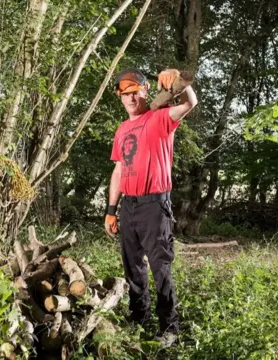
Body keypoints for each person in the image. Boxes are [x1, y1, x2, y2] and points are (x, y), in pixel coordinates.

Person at [104, 68, 198, 349]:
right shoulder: (122, 130)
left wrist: (179, 79)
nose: (131, 98)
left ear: (145, 91)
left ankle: (170, 327)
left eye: (136, 92)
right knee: (133, 268)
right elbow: (119, 171)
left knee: (160, 268)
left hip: (155, 205)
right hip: (129, 206)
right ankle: (138, 320)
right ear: (120, 97)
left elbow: (189, 103)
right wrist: (111, 210)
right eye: (125, 94)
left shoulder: (159, 118)